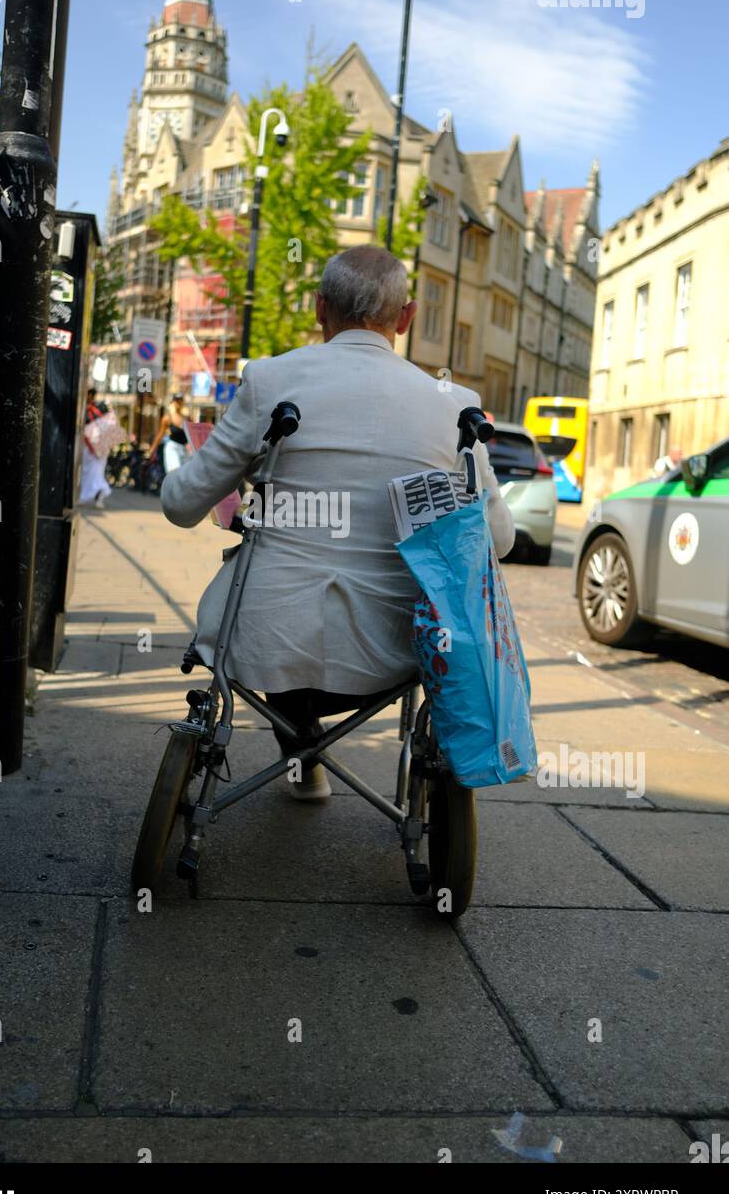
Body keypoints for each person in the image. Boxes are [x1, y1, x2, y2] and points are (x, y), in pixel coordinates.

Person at [161, 245, 515, 801]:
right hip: (396, 648)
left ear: (319, 307)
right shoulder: (455, 405)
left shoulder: (270, 379)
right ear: (406, 317)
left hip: (263, 637)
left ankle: (299, 749)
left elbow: (181, 505)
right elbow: (498, 539)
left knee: (278, 618)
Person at [79, 387, 112, 509]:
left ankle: (96, 494)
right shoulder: (100, 409)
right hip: (97, 446)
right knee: (91, 472)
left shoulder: (93, 410)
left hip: (94, 446)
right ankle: (94, 495)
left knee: (92, 472)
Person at [152, 394, 189, 474]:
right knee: (176, 473)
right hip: (173, 448)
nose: (178, 403)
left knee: (185, 475)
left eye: (180, 400)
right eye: (176, 401)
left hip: (183, 449)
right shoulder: (168, 418)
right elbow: (160, 435)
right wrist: (152, 450)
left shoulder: (186, 418)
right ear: (173, 402)